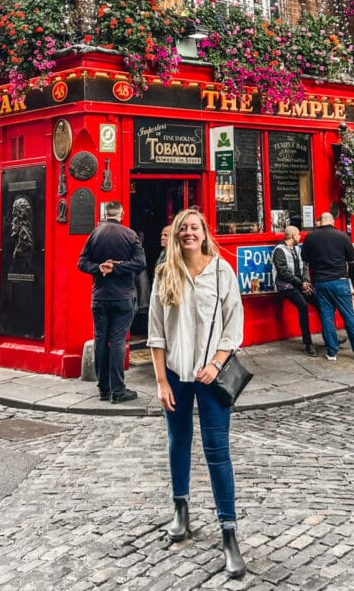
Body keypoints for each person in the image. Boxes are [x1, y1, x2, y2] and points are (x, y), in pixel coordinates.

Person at [148, 209, 245, 578]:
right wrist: (160, 381)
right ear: (176, 236)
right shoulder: (164, 273)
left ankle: (229, 532)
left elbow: (234, 326)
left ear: (205, 234)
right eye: (183, 229)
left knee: (218, 452)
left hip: (212, 378)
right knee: (178, 441)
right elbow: (156, 333)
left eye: (194, 228)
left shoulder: (223, 273)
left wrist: (217, 363)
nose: (189, 233)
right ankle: (181, 510)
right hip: (175, 373)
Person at [77, 200, 146, 403]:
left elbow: (81, 262)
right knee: (117, 342)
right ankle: (118, 391)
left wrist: (99, 268)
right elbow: (141, 263)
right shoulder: (130, 234)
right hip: (123, 297)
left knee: (100, 341)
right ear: (122, 213)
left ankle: (103, 390)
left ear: (105, 213)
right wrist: (118, 267)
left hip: (99, 297)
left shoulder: (94, 234)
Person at [302, 212, 354, 362]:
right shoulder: (342, 236)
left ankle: (332, 352)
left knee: (327, 317)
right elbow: (352, 257)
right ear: (332, 221)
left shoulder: (310, 237)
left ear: (321, 221)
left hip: (321, 282)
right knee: (348, 315)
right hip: (339, 281)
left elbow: (304, 258)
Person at [271, 225, 317, 356]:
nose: (300, 237)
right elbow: (283, 273)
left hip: (301, 284)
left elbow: (304, 266)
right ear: (292, 236)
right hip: (287, 286)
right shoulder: (279, 250)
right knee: (303, 305)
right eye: (298, 235)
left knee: (320, 302)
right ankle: (308, 343)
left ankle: (331, 337)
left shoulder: (298, 248)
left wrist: (306, 282)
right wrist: (300, 284)